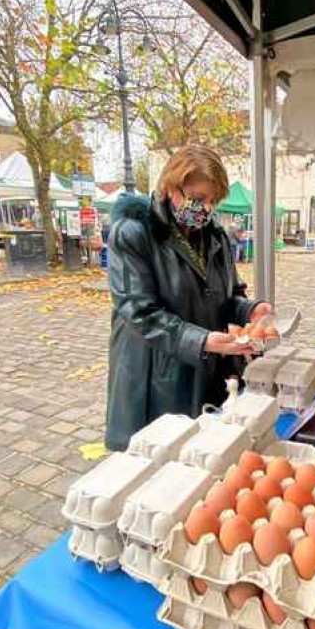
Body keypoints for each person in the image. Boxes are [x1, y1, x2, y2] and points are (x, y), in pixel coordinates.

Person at [105, 145, 273, 451]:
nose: (206, 210)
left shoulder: (216, 237)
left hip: (206, 367)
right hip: (157, 374)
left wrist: (249, 309)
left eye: (212, 201)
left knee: (204, 452)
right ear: (171, 188)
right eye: (197, 200)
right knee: (162, 459)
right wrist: (201, 340)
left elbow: (227, 296)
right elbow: (139, 311)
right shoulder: (134, 233)